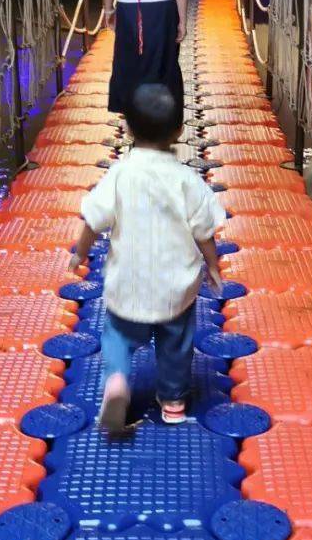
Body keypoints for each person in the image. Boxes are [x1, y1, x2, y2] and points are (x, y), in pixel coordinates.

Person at [69, 83, 225, 433]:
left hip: (129, 284)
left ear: (126, 129)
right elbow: (204, 230)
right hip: (175, 288)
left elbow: (94, 218)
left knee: (117, 336)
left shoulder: (121, 174)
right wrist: (213, 264)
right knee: (176, 342)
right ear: (180, 131)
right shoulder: (186, 180)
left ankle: (118, 383)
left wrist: (80, 252)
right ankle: (172, 402)